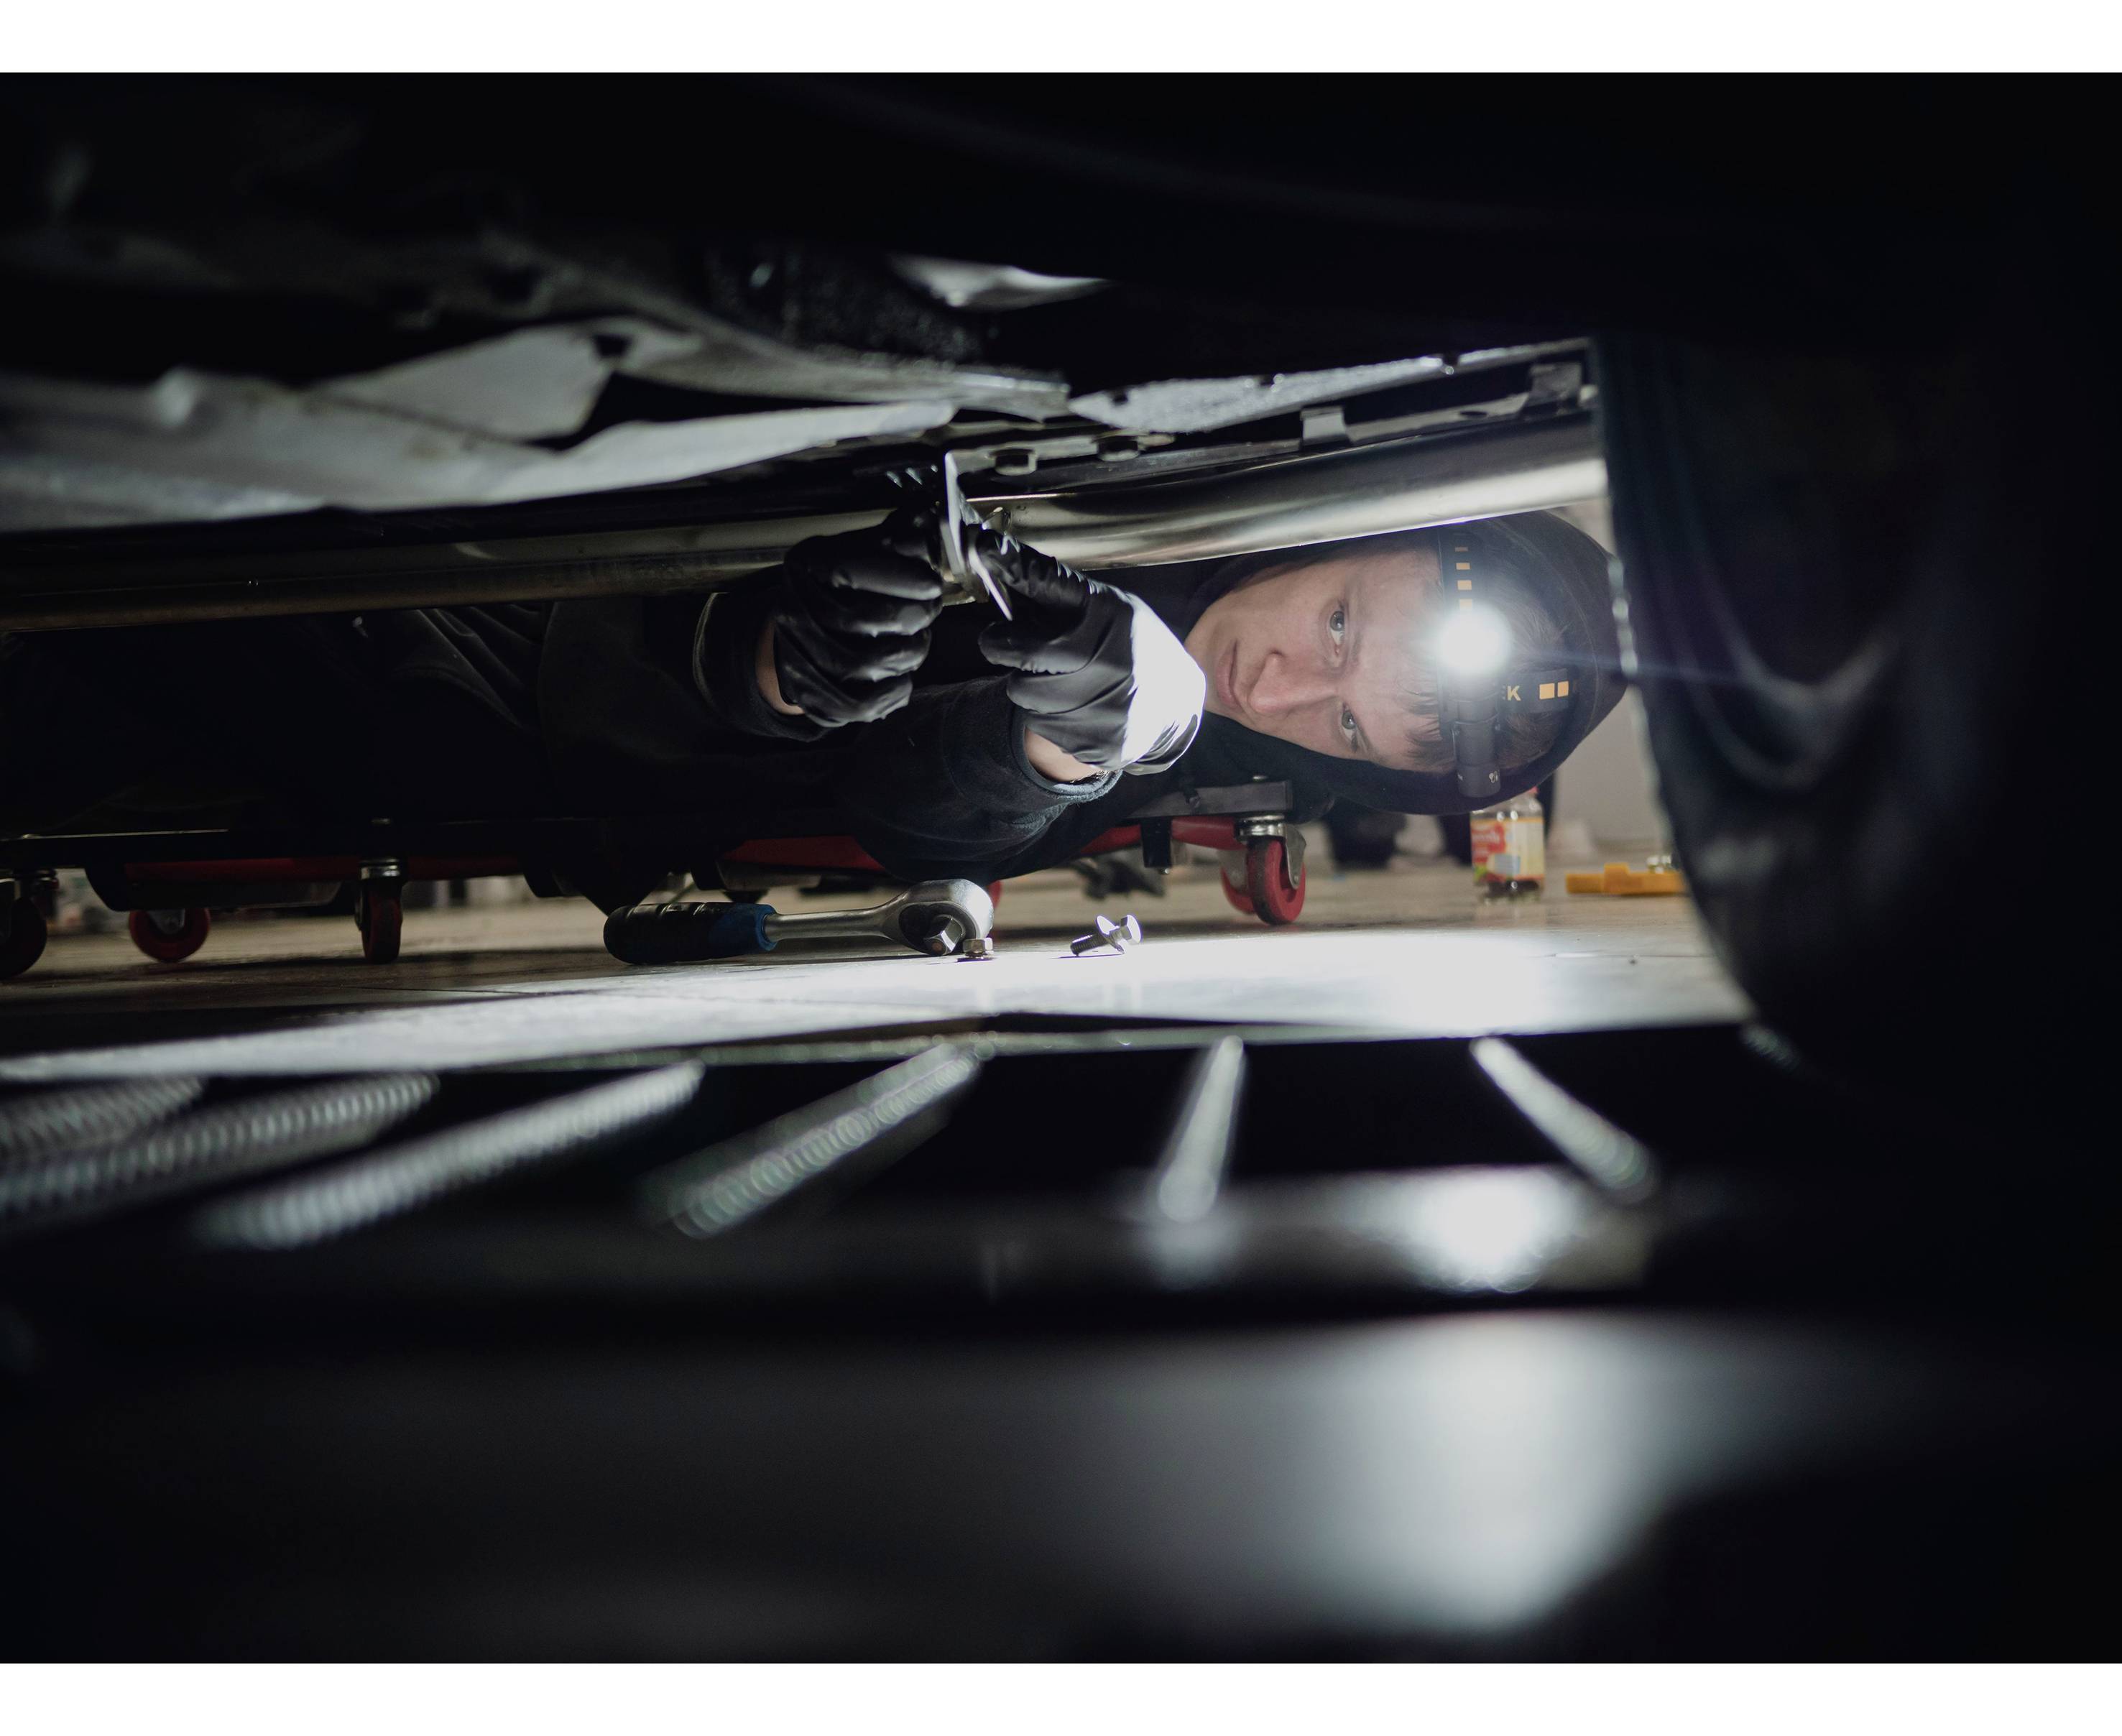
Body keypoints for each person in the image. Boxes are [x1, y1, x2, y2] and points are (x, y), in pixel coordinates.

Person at [0, 508, 1623, 900]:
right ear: (1359, 526)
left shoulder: (1155, 744)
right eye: (1343, 622)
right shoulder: (1186, 464)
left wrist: (1062, 728)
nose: (1294, 684)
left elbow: (933, 815)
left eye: (1344, 725)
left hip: (455, 700)